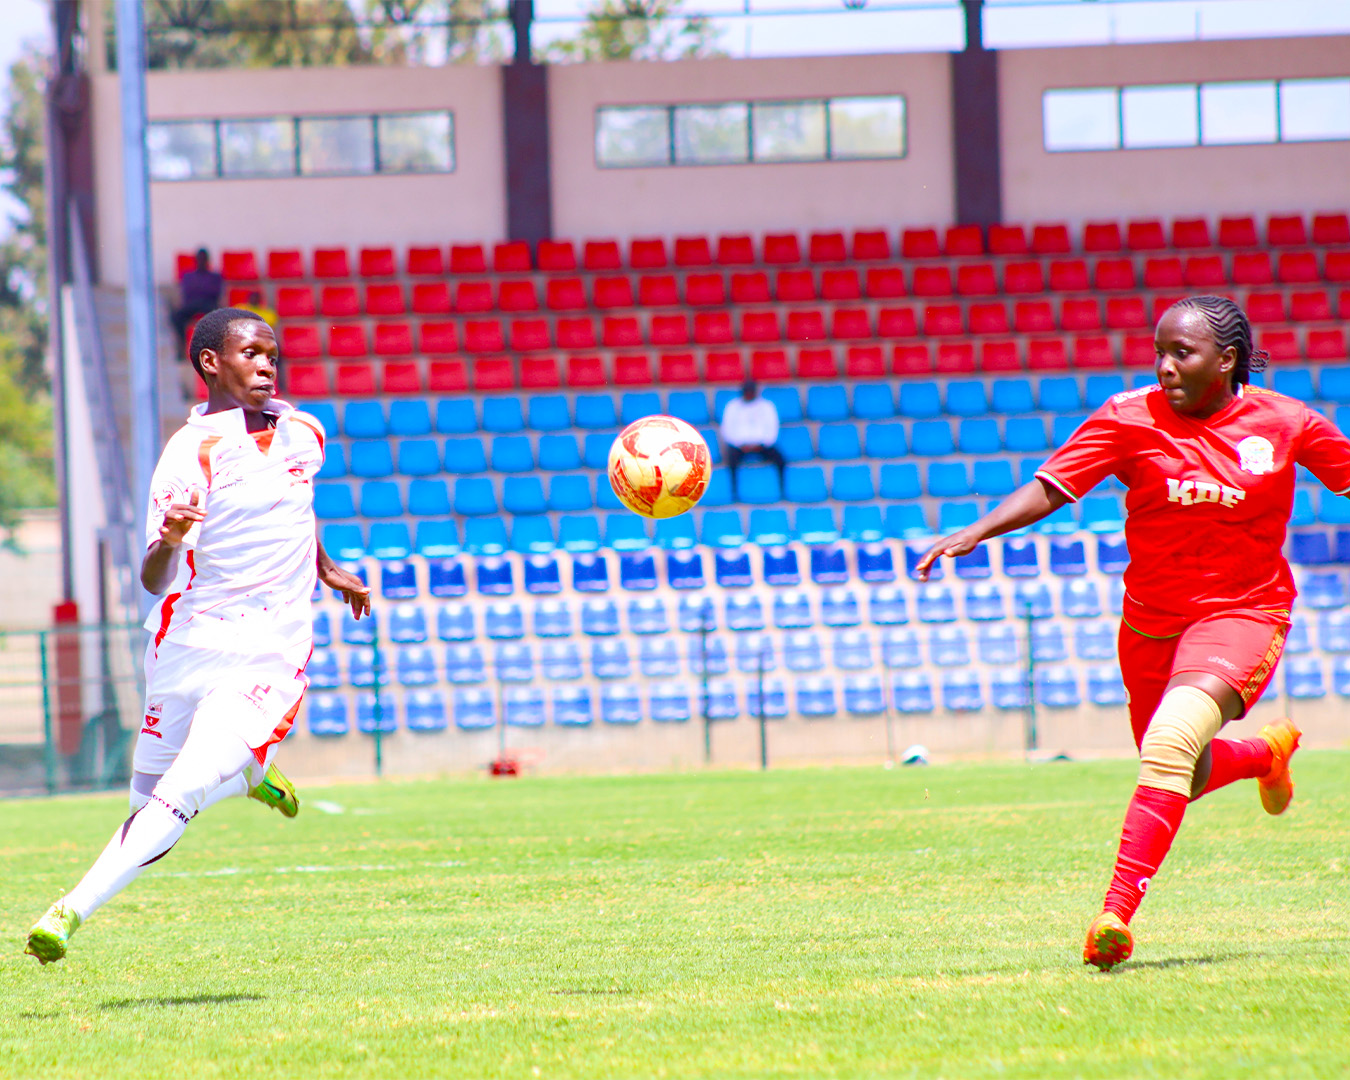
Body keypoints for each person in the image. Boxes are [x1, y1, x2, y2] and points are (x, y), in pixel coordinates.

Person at [915, 294, 1344, 972]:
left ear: (1226, 360)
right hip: (1149, 623)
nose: (1166, 366)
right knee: (1181, 767)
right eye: (1161, 352)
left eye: (1183, 353)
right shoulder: (1127, 417)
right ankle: (1264, 754)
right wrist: (975, 531)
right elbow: (1053, 487)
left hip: (1244, 613)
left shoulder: (1286, 423)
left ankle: (1113, 918)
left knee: (1171, 744)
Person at [25, 307, 370, 965]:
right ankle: (250, 777)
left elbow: (297, 512)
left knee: (176, 794)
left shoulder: (305, 433)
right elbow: (155, 577)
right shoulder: (190, 453)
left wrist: (330, 571)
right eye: (250, 354)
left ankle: (68, 911)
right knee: (148, 808)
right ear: (212, 362)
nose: (266, 364)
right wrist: (173, 540)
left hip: (270, 650)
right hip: (187, 645)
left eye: (272, 354)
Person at [720, 380, 786, 499]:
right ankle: (734, 493)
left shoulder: (767, 406)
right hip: (740, 446)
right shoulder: (732, 406)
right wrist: (739, 444)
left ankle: (782, 490)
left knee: (781, 460)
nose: (749, 395)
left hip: (762, 445)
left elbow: (773, 428)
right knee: (731, 461)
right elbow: (727, 429)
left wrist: (762, 444)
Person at [170, 248, 223, 350]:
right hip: (192, 305)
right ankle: (182, 346)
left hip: (208, 304)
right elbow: (187, 292)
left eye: (204, 259)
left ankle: (215, 347)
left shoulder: (215, 276)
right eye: (199, 259)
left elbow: (215, 293)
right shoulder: (188, 276)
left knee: (220, 316)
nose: (201, 261)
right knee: (177, 316)